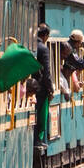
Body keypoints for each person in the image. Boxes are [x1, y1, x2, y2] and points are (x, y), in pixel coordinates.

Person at [33, 23, 53, 152]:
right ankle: (38, 140)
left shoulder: (31, 46)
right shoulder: (43, 49)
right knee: (41, 115)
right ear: (45, 35)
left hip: (30, 86)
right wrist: (50, 89)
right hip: (40, 88)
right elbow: (47, 72)